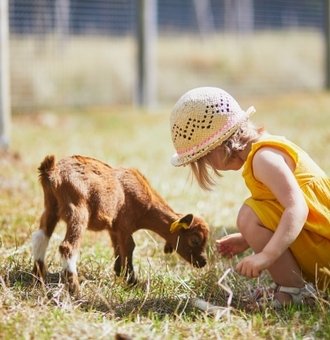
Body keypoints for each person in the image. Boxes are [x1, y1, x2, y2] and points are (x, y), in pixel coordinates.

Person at [169, 86, 330, 308]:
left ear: (217, 148)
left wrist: (268, 255)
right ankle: (291, 288)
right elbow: (282, 207)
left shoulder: (264, 159)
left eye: (204, 160)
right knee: (250, 217)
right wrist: (247, 239)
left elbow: (298, 209)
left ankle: (293, 292)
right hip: (319, 241)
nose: (209, 167)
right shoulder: (263, 150)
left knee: (248, 215)